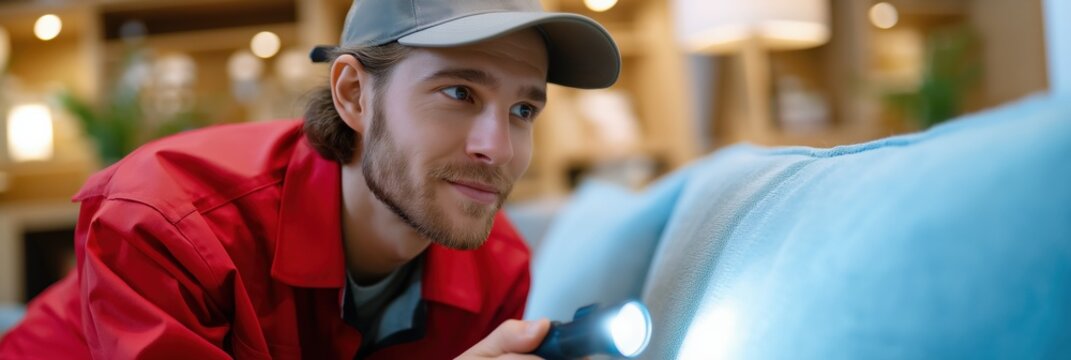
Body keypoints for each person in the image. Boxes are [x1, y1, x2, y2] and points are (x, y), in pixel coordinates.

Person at [0, 0, 619, 358]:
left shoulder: (499, 267)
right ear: (354, 94)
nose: (499, 148)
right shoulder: (165, 221)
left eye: (523, 110)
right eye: (458, 92)